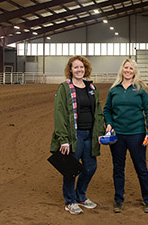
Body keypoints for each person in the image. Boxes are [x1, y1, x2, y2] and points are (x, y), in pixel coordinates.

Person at [50, 55, 105, 215]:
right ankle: (70, 201)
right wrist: (63, 139)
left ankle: (81, 196)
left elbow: (98, 112)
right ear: (70, 70)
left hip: (90, 134)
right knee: (71, 169)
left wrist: (100, 132)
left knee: (90, 167)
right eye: (76, 67)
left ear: (85, 69)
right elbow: (59, 114)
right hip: (74, 135)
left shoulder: (91, 88)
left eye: (81, 67)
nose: (79, 70)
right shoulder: (64, 88)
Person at [103, 58, 148, 213]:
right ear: (122, 69)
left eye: (131, 68)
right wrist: (109, 123)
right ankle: (119, 200)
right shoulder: (114, 89)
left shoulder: (142, 88)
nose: (128, 70)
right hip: (117, 135)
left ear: (135, 71)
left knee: (141, 168)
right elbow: (107, 110)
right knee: (118, 168)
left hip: (136, 134)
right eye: (126, 67)